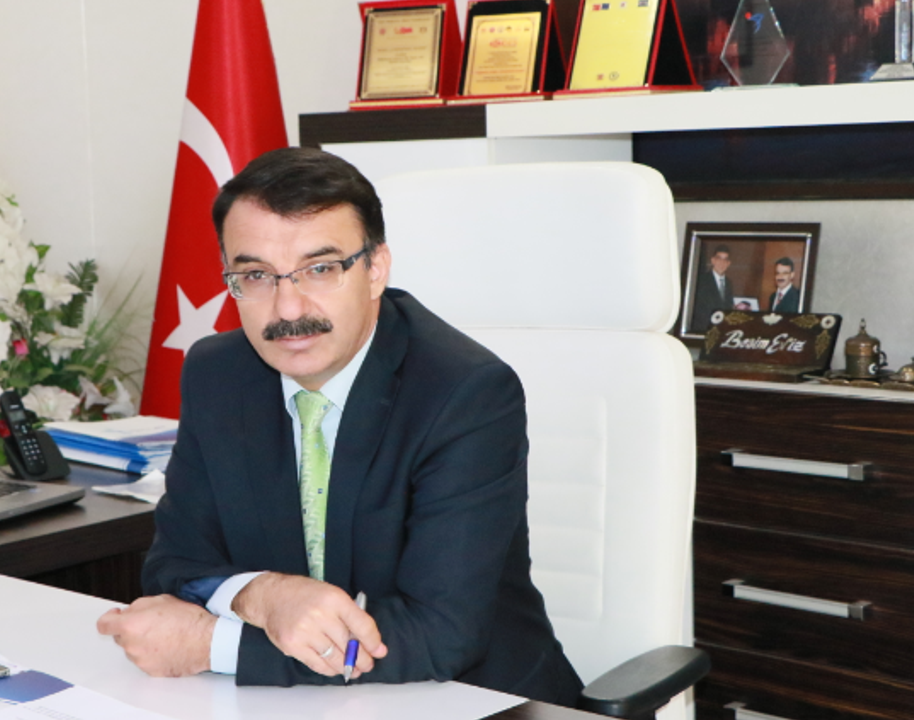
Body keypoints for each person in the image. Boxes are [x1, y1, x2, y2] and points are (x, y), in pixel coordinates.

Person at [96, 148, 582, 705]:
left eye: (320, 269)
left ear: (375, 269)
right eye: (256, 275)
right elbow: (174, 566)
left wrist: (214, 645)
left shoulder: (464, 394)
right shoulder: (217, 373)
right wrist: (264, 595)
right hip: (308, 703)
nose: (288, 308)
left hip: (475, 699)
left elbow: (442, 633)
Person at [689, 245, 734, 331]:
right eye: (719, 259)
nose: (722, 263)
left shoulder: (729, 283)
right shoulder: (701, 280)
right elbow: (698, 309)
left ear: (728, 263)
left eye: (725, 260)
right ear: (713, 260)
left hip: (721, 329)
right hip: (703, 329)